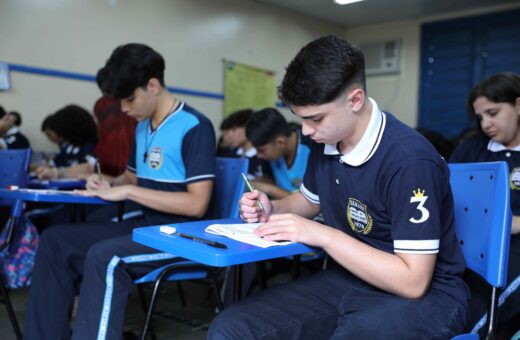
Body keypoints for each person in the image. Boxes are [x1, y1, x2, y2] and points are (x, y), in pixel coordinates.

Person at [209, 35, 468, 339]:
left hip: (428, 295)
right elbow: (307, 202)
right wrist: (272, 207)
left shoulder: (410, 160)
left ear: (355, 100)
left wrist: (322, 235)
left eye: (315, 118)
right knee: (231, 328)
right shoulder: (327, 141)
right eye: (301, 119)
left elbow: (413, 282)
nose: (305, 131)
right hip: (347, 278)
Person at [24, 43, 216, 340]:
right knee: (54, 241)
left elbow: (196, 205)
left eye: (129, 99)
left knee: (106, 257)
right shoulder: (142, 127)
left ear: (153, 85)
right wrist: (108, 184)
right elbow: (131, 177)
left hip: (183, 236)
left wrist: (127, 192)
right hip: (146, 227)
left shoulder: (194, 126)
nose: (125, 109)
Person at [449, 72, 520, 336]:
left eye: (493, 112)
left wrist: (510, 222)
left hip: (514, 246)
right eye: (480, 118)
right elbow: (448, 191)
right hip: (468, 240)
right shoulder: (472, 148)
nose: (486, 124)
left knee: (483, 305)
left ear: (518, 105)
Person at [245, 107, 311, 199]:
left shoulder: (312, 147)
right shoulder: (271, 156)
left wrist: (268, 188)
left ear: (280, 142)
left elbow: (310, 203)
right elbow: (269, 179)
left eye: (261, 150)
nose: (259, 155)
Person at [35, 105, 99, 179]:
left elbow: (90, 167)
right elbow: (57, 162)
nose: (60, 133)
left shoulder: (91, 146)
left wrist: (56, 173)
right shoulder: (69, 147)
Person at [219, 109, 272, 181]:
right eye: (226, 132)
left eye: (234, 129)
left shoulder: (264, 156)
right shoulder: (227, 154)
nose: (229, 136)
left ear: (248, 127)